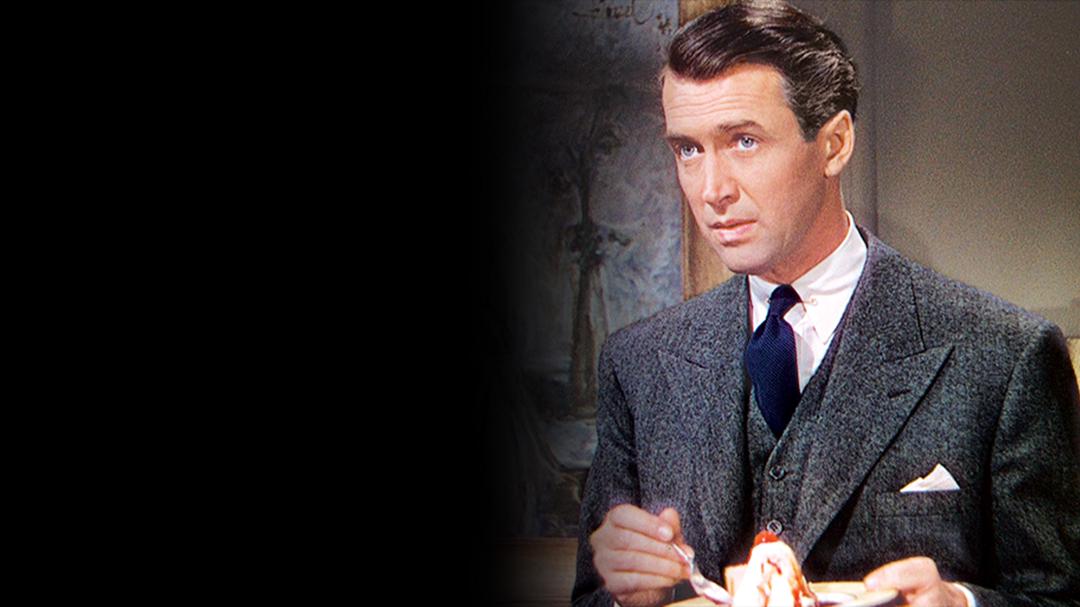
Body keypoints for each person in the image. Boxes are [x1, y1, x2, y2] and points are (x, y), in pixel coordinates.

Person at [571, 2, 1080, 607]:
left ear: (834, 144)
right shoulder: (639, 364)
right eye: (688, 150)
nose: (712, 190)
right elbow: (592, 598)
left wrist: (960, 604)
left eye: (744, 141)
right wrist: (628, 599)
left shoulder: (1004, 357)